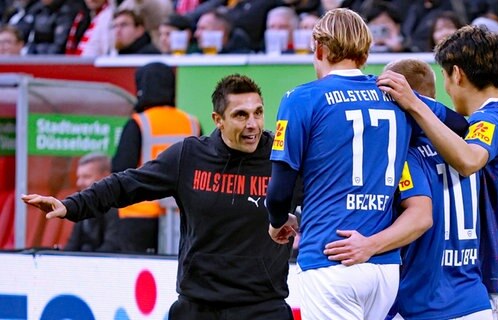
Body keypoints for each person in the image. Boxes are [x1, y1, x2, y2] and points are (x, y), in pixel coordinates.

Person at [23, 74, 295, 320]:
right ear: (218, 120)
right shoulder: (188, 156)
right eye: (240, 115)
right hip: (198, 308)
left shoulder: (282, 158)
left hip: (263, 308)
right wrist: (72, 205)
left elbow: (326, 196)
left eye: (258, 113)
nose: (253, 124)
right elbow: (127, 184)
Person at [265, 8, 451, 320]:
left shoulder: (301, 98)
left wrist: (276, 221)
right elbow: (461, 125)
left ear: (320, 49)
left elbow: (279, 190)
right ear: (365, 52)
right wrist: (416, 104)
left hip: (329, 258)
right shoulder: (393, 94)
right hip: (383, 267)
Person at [378, 25, 498, 319]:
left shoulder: (489, 121)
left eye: (445, 79)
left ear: (457, 74)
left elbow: (468, 159)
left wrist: (414, 103)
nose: (447, 91)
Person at [327, 58, 492, 319]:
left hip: (429, 308)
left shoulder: (406, 153)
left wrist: (368, 245)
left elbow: (420, 217)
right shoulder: (464, 149)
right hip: (476, 303)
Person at [112, 62, 201, 254]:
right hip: (182, 215)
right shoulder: (192, 123)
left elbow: (119, 169)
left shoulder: (138, 123)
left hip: (139, 217)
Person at [64, 153, 121, 253]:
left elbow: (112, 248)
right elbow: (72, 245)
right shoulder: (83, 205)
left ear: (105, 177)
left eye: (86, 177)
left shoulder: (118, 208)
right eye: (79, 177)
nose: (79, 183)